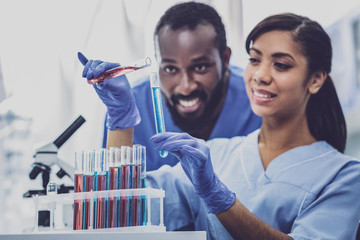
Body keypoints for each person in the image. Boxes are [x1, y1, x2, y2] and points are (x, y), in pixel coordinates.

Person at [80, 12, 360, 239]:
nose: (260, 75)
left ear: (316, 79)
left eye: (281, 65)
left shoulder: (345, 178)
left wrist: (220, 199)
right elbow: (120, 211)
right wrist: (121, 119)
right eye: (254, 60)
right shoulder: (215, 155)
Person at [78, 1, 262, 171]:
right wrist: (120, 119)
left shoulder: (258, 101)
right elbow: (117, 200)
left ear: (225, 59)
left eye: (200, 67)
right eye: (170, 68)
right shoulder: (131, 106)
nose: (186, 87)